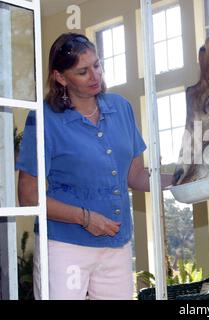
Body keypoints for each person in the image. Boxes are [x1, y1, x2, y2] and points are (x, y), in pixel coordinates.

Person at [17, 33, 172, 300]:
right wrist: (84, 218)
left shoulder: (121, 108)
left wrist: (183, 178)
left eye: (97, 66)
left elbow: (135, 176)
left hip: (116, 245)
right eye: (83, 71)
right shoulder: (43, 119)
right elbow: (28, 196)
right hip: (65, 246)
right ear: (61, 77)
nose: (95, 76)